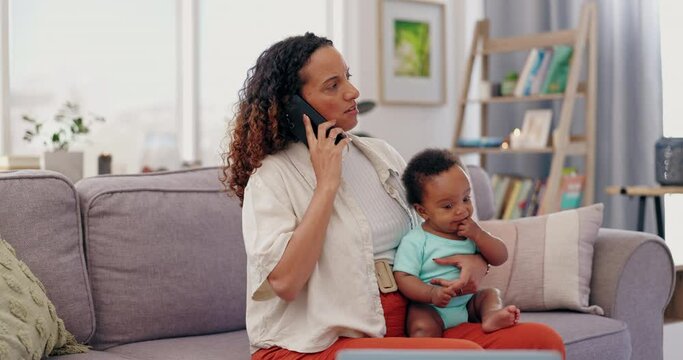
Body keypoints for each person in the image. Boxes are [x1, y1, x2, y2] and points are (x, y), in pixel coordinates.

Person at [222, 32, 566, 360]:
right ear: (294, 106)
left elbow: (432, 229)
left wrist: (475, 262)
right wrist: (326, 184)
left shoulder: (380, 154)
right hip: (315, 345)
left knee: (542, 344)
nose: (353, 91)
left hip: (412, 324)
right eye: (333, 85)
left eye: (348, 77)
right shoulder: (272, 178)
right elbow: (285, 282)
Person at [394, 149, 520, 339]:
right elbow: (403, 276)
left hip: (466, 304)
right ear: (423, 211)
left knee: (490, 295)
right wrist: (431, 293)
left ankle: (491, 316)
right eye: (448, 206)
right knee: (421, 323)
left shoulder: (471, 233)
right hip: (432, 307)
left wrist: (479, 235)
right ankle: (428, 346)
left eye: (466, 199)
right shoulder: (416, 240)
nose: (462, 210)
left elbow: (500, 257)